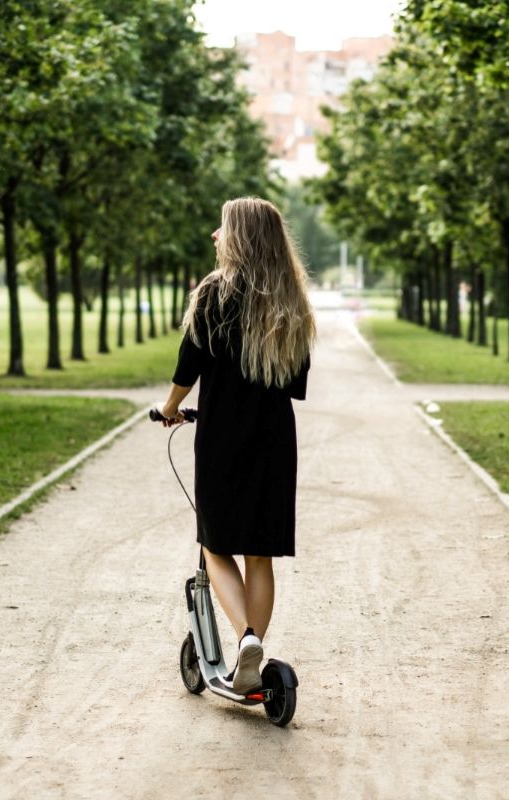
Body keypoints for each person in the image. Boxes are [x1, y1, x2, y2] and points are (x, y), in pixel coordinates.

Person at [156, 197, 315, 693]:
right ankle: (253, 649)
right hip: (274, 441)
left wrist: (169, 409)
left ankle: (245, 637)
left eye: (221, 228)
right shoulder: (291, 303)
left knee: (215, 545)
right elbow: (294, 383)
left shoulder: (212, 293)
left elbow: (188, 367)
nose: (214, 236)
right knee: (259, 555)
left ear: (240, 237)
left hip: (222, 437)